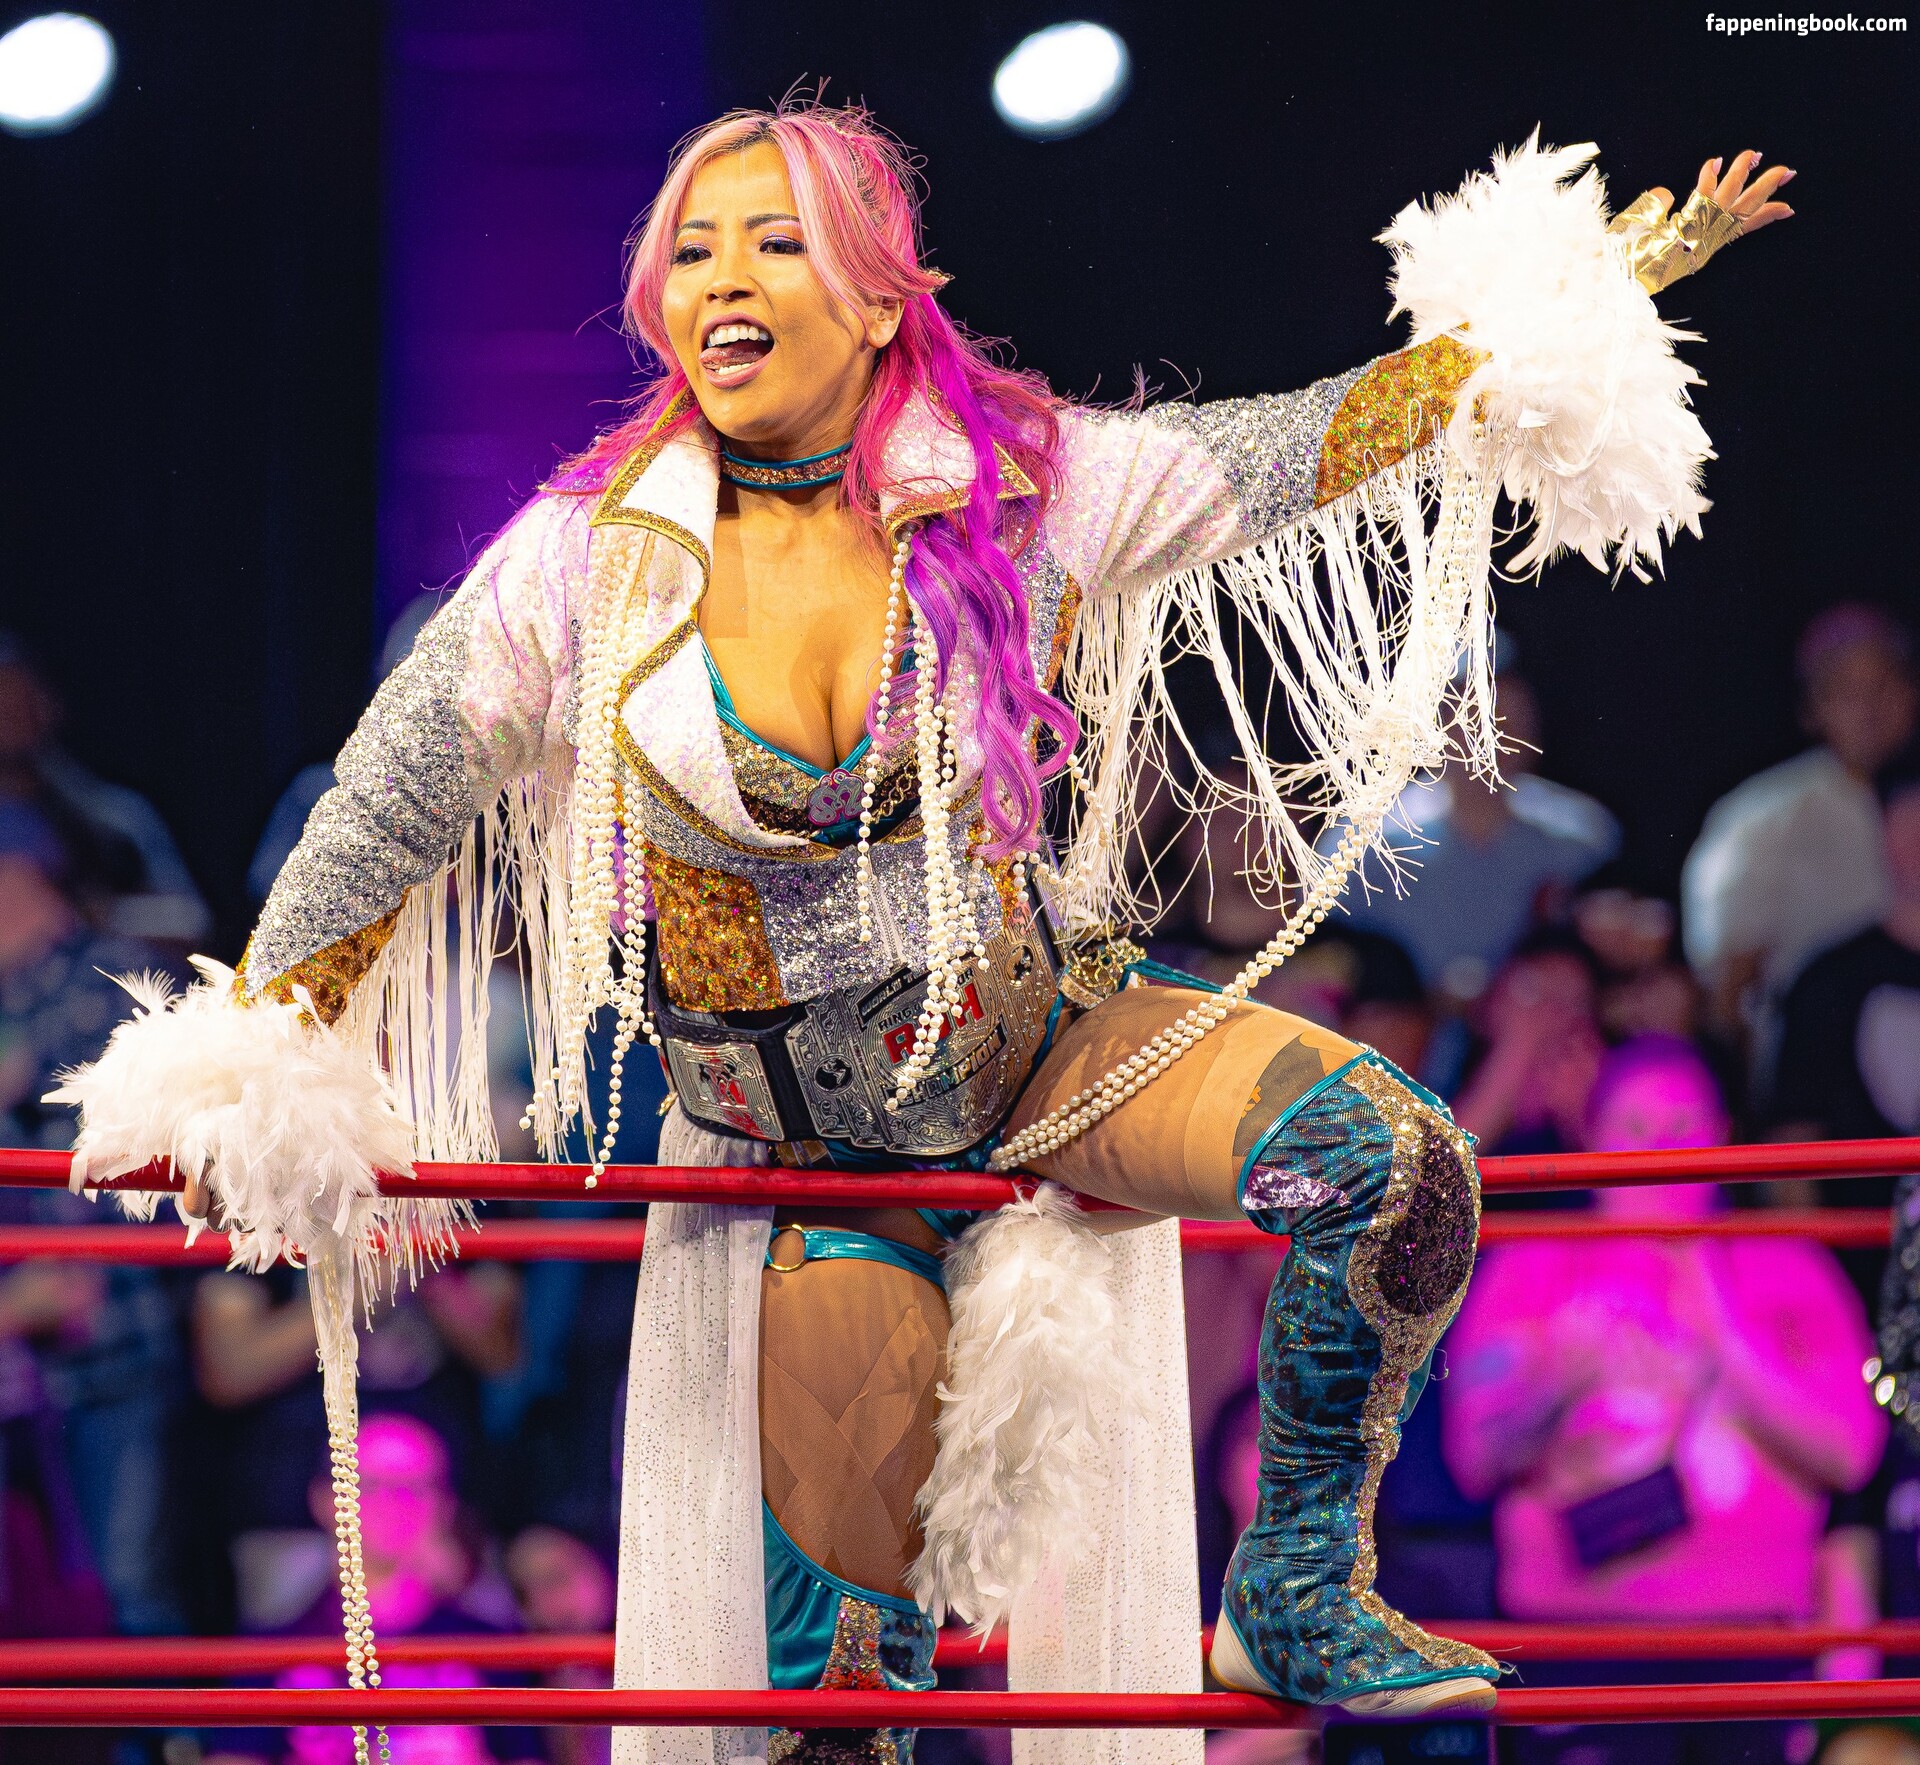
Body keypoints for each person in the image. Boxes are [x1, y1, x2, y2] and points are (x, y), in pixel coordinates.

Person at [51, 104, 1792, 1764]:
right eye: (692, 251)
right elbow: (385, 806)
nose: (723, 281)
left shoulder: (1027, 485)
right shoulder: (585, 563)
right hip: (819, 1166)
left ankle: (1294, 1588)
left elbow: (1301, 442)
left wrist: (1554, 322)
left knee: (1399, 1168)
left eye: (773, 243)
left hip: (1037, 1047)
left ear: (879, 295)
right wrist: (248, 1060)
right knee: (842, 1703)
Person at [1445, 1036, 1884, 1763]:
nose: (1661, 1152)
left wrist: (1729, 1347)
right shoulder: (1532, 1263)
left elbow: (1851, 1452)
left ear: (1722, 1136)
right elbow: (1475, 1457)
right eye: (1635, 1128)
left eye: (1683, 1127)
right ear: (1593, 1136)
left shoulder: (1790, 1261)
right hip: (1575, 1642)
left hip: (1754, 1643)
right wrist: (1563, 1373)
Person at [1682, 604, 1917, 1082]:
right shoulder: (1761, 821)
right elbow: (1725, 986)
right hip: (1812, 1081)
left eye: (1885, 685)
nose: (1871, 708)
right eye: (1847, 692)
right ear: (1812, 709)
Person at [1337, 649, 1620, 1006]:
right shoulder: (1367, 840)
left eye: (1508, 719)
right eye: (1473, 718)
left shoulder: (1581, 838)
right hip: (1397, 1032)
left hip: (1534, 1032)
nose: (1493, 738)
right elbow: (1325, 956)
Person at [0, 633, 211, 951]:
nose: (10, 715)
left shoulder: (114, 820)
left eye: (18, 698)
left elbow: (192, 921)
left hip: (108, 974)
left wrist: (84, 917)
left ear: (47, 705)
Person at [1772, 747, 1920, 1143]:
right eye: (1910, 821)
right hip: (1860, 1186)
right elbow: (1793, 1137)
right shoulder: (1828, 981)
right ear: (1883, 830)